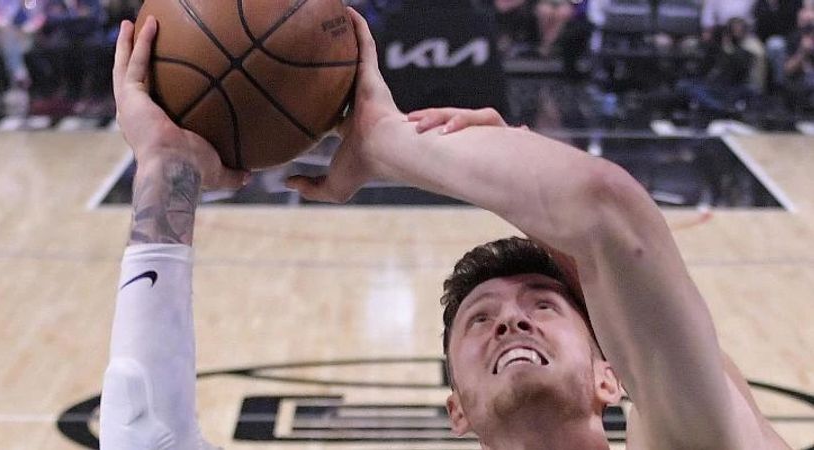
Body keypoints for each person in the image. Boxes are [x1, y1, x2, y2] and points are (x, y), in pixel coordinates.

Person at [102, 8, 791, 450]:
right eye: (479, 318)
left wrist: (389, 142)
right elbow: (147, 437)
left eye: (542, 306)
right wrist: (167, 170)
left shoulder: (693, 433)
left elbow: (605, 215)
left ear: (608, 379)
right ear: (455, 410)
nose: (511, 321)